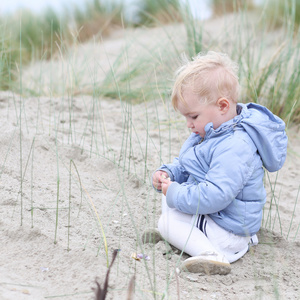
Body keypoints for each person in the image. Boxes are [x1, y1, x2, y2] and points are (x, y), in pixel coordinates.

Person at [148, 51, 288, 275]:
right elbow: (188, 164)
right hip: (220, 216)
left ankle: (211, 255)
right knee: (170, 200)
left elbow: (216, 195)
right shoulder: (210, 131)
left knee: (168, 220)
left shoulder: (236, 145)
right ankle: (179, 234)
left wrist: (175, 193)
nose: (189, 124)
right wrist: (169, 173)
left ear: (222, 106)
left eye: (193, 116)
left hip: (230, 229)